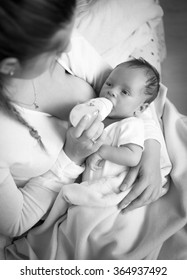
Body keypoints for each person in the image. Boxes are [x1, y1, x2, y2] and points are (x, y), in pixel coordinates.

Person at [0, 0, 169, 259]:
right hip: (65, 198)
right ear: (9, 65)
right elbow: (17, 222)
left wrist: (151, 150)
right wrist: (71, 156)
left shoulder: (55, 37)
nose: (68, 46)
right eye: (55, 46)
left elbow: (126, 94)